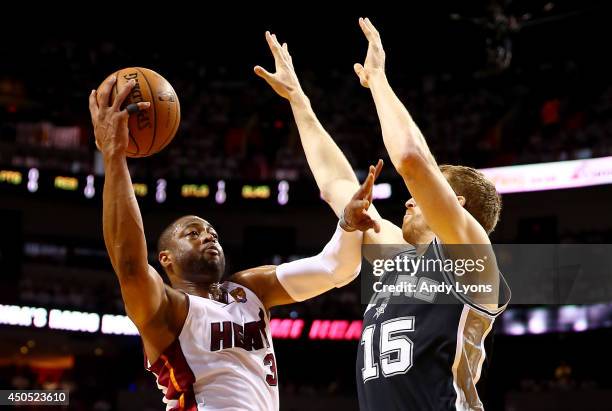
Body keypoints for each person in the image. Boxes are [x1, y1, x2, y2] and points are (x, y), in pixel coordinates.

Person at [255, 18, 510, 410]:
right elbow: (335, 186)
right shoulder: (399, 256)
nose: (408, 201)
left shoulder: (473, 260)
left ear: (455, 204)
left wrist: (378, 80)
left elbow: (411, 160)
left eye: (423, 194)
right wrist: (299, 101)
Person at [88, 74, 383, 411]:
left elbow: (336, 269)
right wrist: (114, 156)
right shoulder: (166, 310)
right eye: (193, 233)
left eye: (211, 231)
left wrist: (348, 225)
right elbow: (129, 266)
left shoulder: (250, 289)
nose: (208, 235)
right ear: (166, 259)